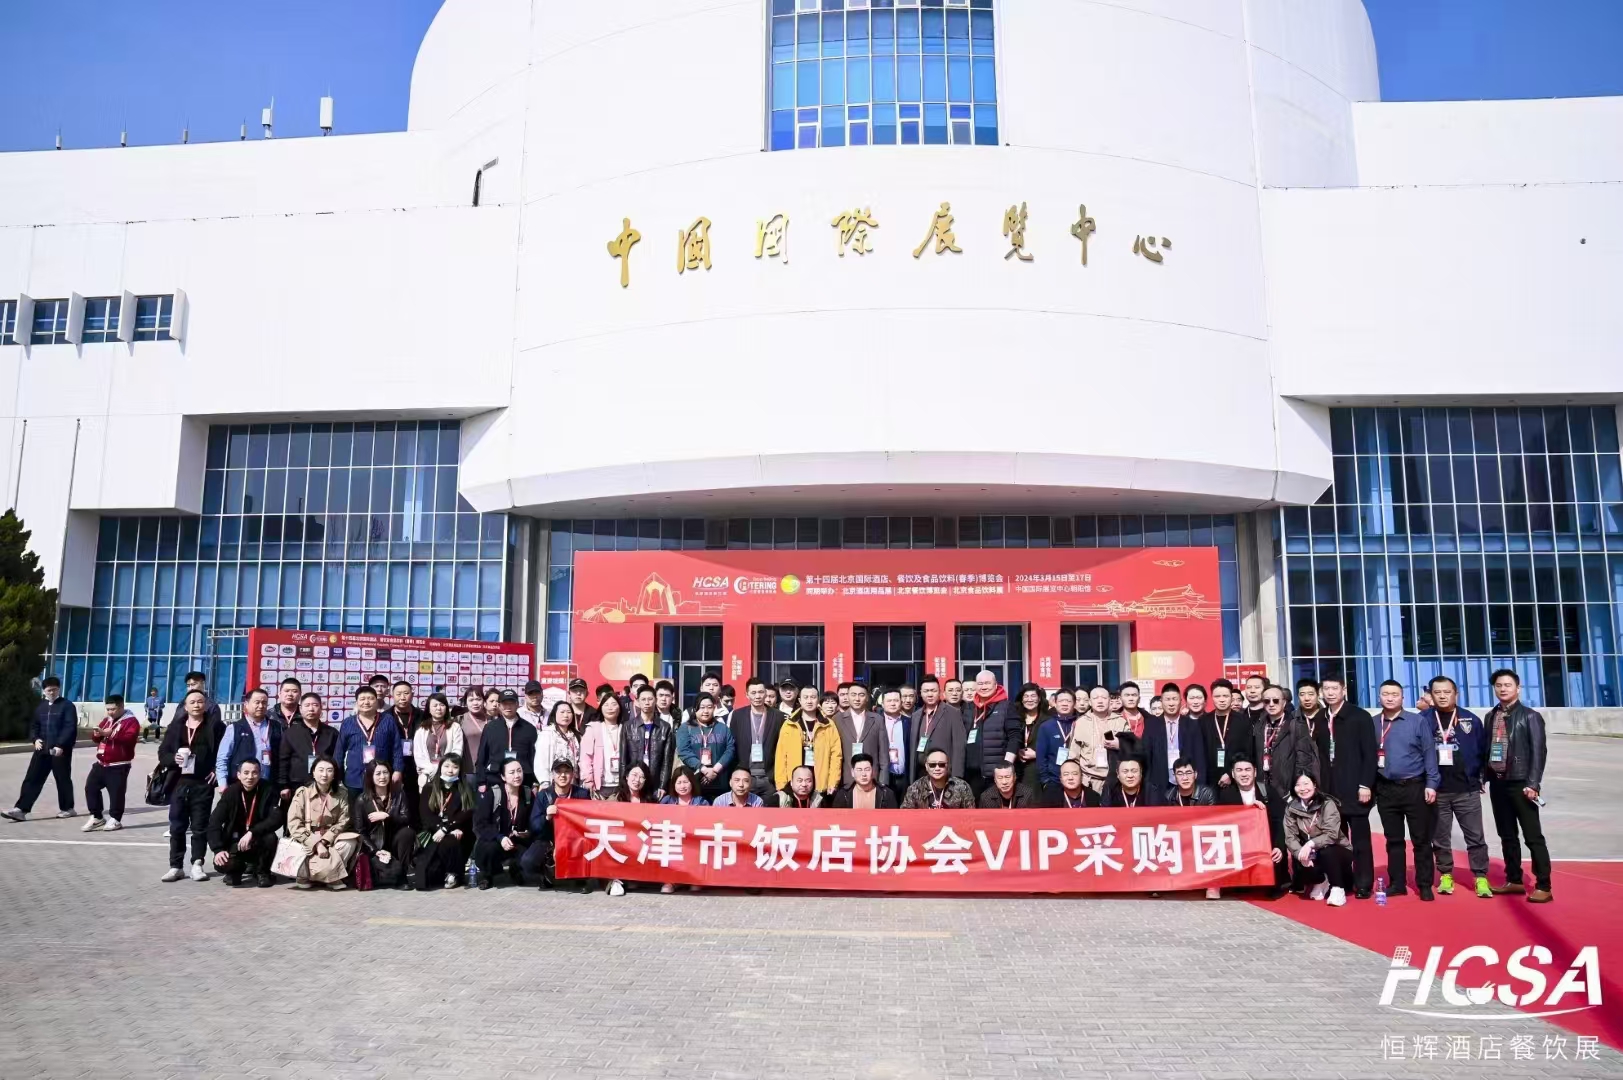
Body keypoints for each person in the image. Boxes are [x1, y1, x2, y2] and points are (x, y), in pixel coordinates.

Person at [1483, 668, 1552, 903]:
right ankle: (1514, 879)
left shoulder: (1530, 716)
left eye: (1508, 685)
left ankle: (1544, 885)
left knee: (1532, 836)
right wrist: (1483, 777)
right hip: (1498, 783)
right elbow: (1487, 750)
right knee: (1507, 835)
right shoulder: (1491, 716)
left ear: (1518, 688)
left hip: (1522, 784)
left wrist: (1533, 783)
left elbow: (1538, 752)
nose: (1503, 689)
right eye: (1499, 686)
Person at [1420, 676, 1492, 899]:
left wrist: (1481, 777)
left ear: (1456, 694)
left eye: (1447, 692)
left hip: (1466, 790)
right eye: (1437, 692)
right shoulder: (1422, 720)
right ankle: (1445, 874)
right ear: (1431, 695)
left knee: (1475, 837)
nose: (1442, 696)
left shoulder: (1470, 719)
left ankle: (1480, 876)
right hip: (1437, 791)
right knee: (1440, 837)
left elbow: (1483, 751)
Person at [1373, 679, 1440, 901]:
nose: (1390, 698)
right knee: (1393, 840)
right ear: (1379, 697)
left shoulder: (1417, 721)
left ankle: (1424, 884)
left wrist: (1432, 783)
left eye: (1394, 694)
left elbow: (1429, 753)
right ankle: (1397, 883)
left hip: (1414, 787)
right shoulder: (1373, 723)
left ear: (1402, 697)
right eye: (1385, 694)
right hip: (1386, 789)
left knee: (1421, 840)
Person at [1318, 674, 1377, 898]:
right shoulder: (1321, 717)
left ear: (1344, 690)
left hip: (1355, 788)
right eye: (1326, 689)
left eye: (1335, 688)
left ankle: (1363, 883)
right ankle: (1342, 880)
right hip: (1330, 791)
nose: (1330, 693)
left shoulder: (1359, 716)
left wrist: (1365, 784)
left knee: (1360, 840)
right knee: (1336, 839)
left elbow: (1369, 754)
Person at [158, 689, 218, 882]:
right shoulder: (176, 727)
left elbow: (223, 753)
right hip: (179, 783)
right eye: (192, 702)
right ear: (185, 706)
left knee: (200, 826)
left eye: (200, 701)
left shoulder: (215, 726)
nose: (196, 705)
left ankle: (197, 864)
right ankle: (176, 866)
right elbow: (162, 753)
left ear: (205, 705)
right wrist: (173, 758)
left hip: (202, 784)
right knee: (177, 826)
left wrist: (216, 771)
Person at [4, 675, 78, 822]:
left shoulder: (67, 706)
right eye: (49, 690)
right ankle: (20, 810)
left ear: (59, 690)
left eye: (55, 690)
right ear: (44, 691)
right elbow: (34, 726)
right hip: (42, 749)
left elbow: (70, 727)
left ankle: (68, 808)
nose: (52, 693)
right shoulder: (40, 707)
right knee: (32, 778)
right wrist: (35, 739)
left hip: (60, 751)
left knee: (62, 779)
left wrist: (60, 745)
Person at [285, 757, 360, 890]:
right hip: (307, 836)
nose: (324, 774)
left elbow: (344, 821)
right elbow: (294, 823)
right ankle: (328, 875)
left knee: (350, 842)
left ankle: (324, 875)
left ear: (334, 774)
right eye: (320, 770)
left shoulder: (342, 793)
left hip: (330, 837)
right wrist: (316, 844)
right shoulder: (303, 793)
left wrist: (325, 840)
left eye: (329, 770)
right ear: (313, 772)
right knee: (297, 846)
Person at [206, 758, 283, 887]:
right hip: (234, 841)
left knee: (270, 838)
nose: (250, 777)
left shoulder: (268, 789)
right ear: (239, 775)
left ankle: (262, 872)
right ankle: (235, 872)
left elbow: (276, 818)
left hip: (257, 839)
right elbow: (214, 822)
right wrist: (218, 850)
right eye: (246, 773)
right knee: (224, 864)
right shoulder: (231, 792)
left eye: (254, 773)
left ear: (260, 773)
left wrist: (253, 832)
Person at [1282, 772, 1352, 907]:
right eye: (1298, 785)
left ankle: (1338, 888)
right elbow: (1290, 837)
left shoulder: (1327, 804)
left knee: (1327, 852)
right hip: (1312, 851)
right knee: (1299, 860)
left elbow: (1332, 834)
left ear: (1314, 785)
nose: (1303, 788)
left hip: (1337, 849)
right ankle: (1321, 881)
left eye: (1306, 783)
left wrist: (1311, 843)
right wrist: (1300, 853)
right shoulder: (1291, 808)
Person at [524, 757, 592, 890]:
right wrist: (546, 817)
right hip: (548, 840)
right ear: (553, 775)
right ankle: (546, 875)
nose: (563, 775)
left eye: (567, 771)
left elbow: (589, 821)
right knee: (528, 861)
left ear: (573, 774)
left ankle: (580, 878)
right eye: (558, 772)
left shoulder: (582, 794)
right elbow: (534, 825)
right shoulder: (543, 795)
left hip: (575, 839)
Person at [414, 753, 475, 890]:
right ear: (440, 767)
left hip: (458, 831)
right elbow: (426, 815)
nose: (450, 770)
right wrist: (440, 829)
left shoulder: (465, 788)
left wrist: (446, 828)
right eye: (446, 766)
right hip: (433, 832)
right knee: (427, 876)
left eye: (455, 767)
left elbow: (466, 813)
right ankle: (447, 873)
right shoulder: (429, 788)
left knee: (452, 839)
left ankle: (454, 874)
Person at [474, 758, 535, 890]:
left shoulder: (527, 793)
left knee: (531, 856)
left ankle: (516, 869)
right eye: (512, 772)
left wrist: (527, 831)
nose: (517, 775)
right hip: (496, 839)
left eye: (519, 771)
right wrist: (500, 837)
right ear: (503, 776)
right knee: (488, 849)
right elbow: (480, 824)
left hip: (518, 840)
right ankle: (486, 875)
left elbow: (533, 820)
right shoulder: (493, 793)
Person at [82, 693, 139, 832]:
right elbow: (97, 738)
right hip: (101, 763)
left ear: (121, 707)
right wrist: (97, 735)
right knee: (90, 787)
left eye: (113, 709)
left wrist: (111, 735)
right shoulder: (107, 720)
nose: (110, 712)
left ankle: (115, 819)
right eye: (108, 709)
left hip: (119, 765)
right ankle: (97, 817)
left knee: (116, 793)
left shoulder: (131, 722)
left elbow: (129, 739)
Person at [336, 685, 404, 798]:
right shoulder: (347, 723)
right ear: (356, 702)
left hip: (381, 779)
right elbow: (339, 751)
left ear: (376, 701)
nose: (366, 702)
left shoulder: (388, 720)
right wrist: (337, 776)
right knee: (355, 809)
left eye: (370, 698)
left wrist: (398, 770)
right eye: (362, 699)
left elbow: (396, 748)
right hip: (354, 779)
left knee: (381, 808)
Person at [354, 758, 413, 889]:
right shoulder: (362, 800)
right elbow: (360, 831)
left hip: (395, 841)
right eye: (378, 773)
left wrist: (388, 816)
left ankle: (403, 877)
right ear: (370, 776)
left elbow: (407, 818)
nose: (382, 777)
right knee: (384, 869)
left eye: (385, 772)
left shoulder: (399, 794)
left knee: (407, 833)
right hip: (375, 844)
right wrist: (375, 850)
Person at [774, 686, 840, 799]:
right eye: (806, 697)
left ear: (818, 700)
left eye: (813, 697)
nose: (809, 701)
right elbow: (781, 756)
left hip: (820, 782)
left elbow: (836, 756)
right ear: (800, 700)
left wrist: (833, 781)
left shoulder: (828, 725)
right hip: (795, 783)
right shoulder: (789, 724)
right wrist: (781, 784)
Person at [215, 687, 283, 791]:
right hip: (240, 784)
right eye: (257, 702)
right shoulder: (234, 728)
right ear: (246, 704)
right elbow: (222, 758)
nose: (261, 706)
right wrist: (222, 783)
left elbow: (282, 757)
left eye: (264, 703)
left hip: (268, 784)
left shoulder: (276, 726)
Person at [278, 692, 337, 808]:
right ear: (300, 709)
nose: (311, 709)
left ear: (321, 708)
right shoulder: (291, 733)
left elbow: (336, 759)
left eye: (315, 705)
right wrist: (283, 785)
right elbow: (283, 760)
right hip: (297, 784)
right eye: (307, 705)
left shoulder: (332, 733)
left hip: (325, 784)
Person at [729, 677, 784, 802]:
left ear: (765, 693)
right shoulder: (738, 715)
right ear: (747, 695)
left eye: (760, 692)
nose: (757, 696)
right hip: (745, 777)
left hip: (769, 777)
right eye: (753, 693)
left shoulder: (778, 716)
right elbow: (733, 745)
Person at [1145, 683, 1208, 791]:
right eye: (1167, 699)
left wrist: (1200, 785)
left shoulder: (1192, 725)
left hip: (1187, 781)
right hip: (1159, 782)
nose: (1171, 703)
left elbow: (1199, 757)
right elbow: (1146, 755)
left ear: (1181, 701)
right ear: (1162, 701)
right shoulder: (1152, 725)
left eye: (1174, 699)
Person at [477, 689, 540, 791]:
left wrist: (535, 782)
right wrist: (481, 781)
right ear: (499, 705)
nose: (508, 707)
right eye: (505, 703)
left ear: (517, 704)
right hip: (495, 777)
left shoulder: (529, 729)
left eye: (511, 703)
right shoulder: (490, 727)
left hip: (523, 779)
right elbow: (482, 756)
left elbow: (534, 758)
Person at [677, 692, 735, 800]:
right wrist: (703, 769)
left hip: (720, 782)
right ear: (695, 709)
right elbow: (684, 751)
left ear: (714, 708)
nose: (706, 711)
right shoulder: (685, 728)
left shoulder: (723, 728)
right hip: (694, 782)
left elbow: (730, 749)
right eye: (702, 707)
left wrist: (715, 770)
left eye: (709, 707)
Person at [911, 675, 966, 781]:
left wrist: (956, 778)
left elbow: (959, 747)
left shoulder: (953, 713)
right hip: (921, 772)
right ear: (920, 693)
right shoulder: (916, 715)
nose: (930, 694)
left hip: (944, 772)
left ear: (940, 692)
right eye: (926, 691)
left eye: (933, 691)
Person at [836, 683, 891, 788]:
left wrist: (883, 781)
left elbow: (883, 753)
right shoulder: (837, 719)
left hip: (872, 778)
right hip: (846, 778)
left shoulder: (877, 719)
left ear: (867, 698)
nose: (857, 699)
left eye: (861, 695)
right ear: (848, 696)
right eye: (853, 694)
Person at [625, 685, 676, 798]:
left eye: (650, 699)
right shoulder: (628, 726)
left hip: (655, 780)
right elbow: (624, 759)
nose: (647, 703)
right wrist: (624, 783)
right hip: (635, 780)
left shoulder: (665, 727)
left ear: (655, 700)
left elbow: (667, 760)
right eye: (643, 699)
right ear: (638, 701)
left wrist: (663, 785)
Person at [414, 693, 466, 797]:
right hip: (428, 776)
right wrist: (432, 769)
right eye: (435, 705)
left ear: (446, 708)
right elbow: (418, 755)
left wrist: (444, 768)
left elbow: (457, 751)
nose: (439, 708)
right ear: (429, 709)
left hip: (449, 775)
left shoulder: (455, 727)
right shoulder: (422, 729)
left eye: (442, 705)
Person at [1067, 686, 1114, 798]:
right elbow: (1073, 755)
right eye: (1096, 698)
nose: (1100, 701)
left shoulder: (1120, 721)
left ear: (1109, 700)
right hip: (1087, 780)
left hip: (1114, 780)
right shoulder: (1081, 723)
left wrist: (1120, 744)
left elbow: (1130, 750)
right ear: (1090, 702)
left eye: (1104, 698)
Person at [580, 692, 627, 799]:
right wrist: (588, 780)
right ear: (601, 708)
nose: (610, 708)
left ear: (620, 708)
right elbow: (585, 758)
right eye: (606, 705)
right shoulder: (593, 728)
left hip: (621, 785)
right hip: (599, 786)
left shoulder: (626, 728)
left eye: (614, 704)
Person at [1007, 683, 1049, 800]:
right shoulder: (1015, 718)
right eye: (1026, 696)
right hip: (1016, 768)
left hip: (1037, 769)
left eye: (1033, 696)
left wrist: (1037, 754)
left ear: (1039, 699)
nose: (1029, 699)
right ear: (1021, 699)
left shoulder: (1048, 720)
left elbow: (1054, 748)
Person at [1035, 688, 1080, 794]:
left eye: (1068, 701)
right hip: (1053, 780)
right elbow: (1041, 757)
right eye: (1061, 701)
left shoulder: (1080, 724)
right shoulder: (1046, 726)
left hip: (1077, 779)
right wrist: (1045, 780)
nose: (1064, 704)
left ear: (1074, 704)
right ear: (1055, 703)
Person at [901, 749, 975, 809]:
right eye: (932, 765)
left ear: (948, 766)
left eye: (941, 764)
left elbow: (971, 815)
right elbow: (905, 815)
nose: (937, 768)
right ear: (926, 766)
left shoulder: (962, 787)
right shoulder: (915, 788)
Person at [876, 688, 913, 803]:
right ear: (882, 704)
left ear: (901, 702)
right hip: (883, 776)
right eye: (889, 701)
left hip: (903, 776)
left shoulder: (909, 722)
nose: (893, 703)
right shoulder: (875, 721)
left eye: (896, 700)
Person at [535, 700, 581, 783]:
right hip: (553, 781)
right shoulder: (547, 734)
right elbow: (541, 761)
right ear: (554, 714)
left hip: (572, 781)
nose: (566, 715)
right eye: (562, 712)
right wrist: (544, 782)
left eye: (569, 712)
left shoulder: (575, 735)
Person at [831, 754, 897, 809]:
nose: (864, 774)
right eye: (859, 770)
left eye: (867, 769)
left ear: (873, 771)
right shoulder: (843, 795)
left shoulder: (887, 794)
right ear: (852, 772)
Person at [1097, 756, 1163, 808]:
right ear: (1118, 774)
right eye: (1125, 771)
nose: (1130, 775)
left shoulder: (1152, 791)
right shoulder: (1110, 791)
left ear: (1141, 773)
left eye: (1134, 771)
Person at [184, 671, 225, 745]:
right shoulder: (182, 705)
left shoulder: (211, 706)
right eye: (188, 685)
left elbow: (215, 730)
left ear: (203, 684)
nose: (190, 688)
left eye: (193, 684)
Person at [460, 687, 491, 768]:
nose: (475, 703)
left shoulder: (491, 720)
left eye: (478, 699)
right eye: (471, 700)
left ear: (484, 701)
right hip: (468, 768)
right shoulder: (460, 720)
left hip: (489, 767)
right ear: (466, 703)